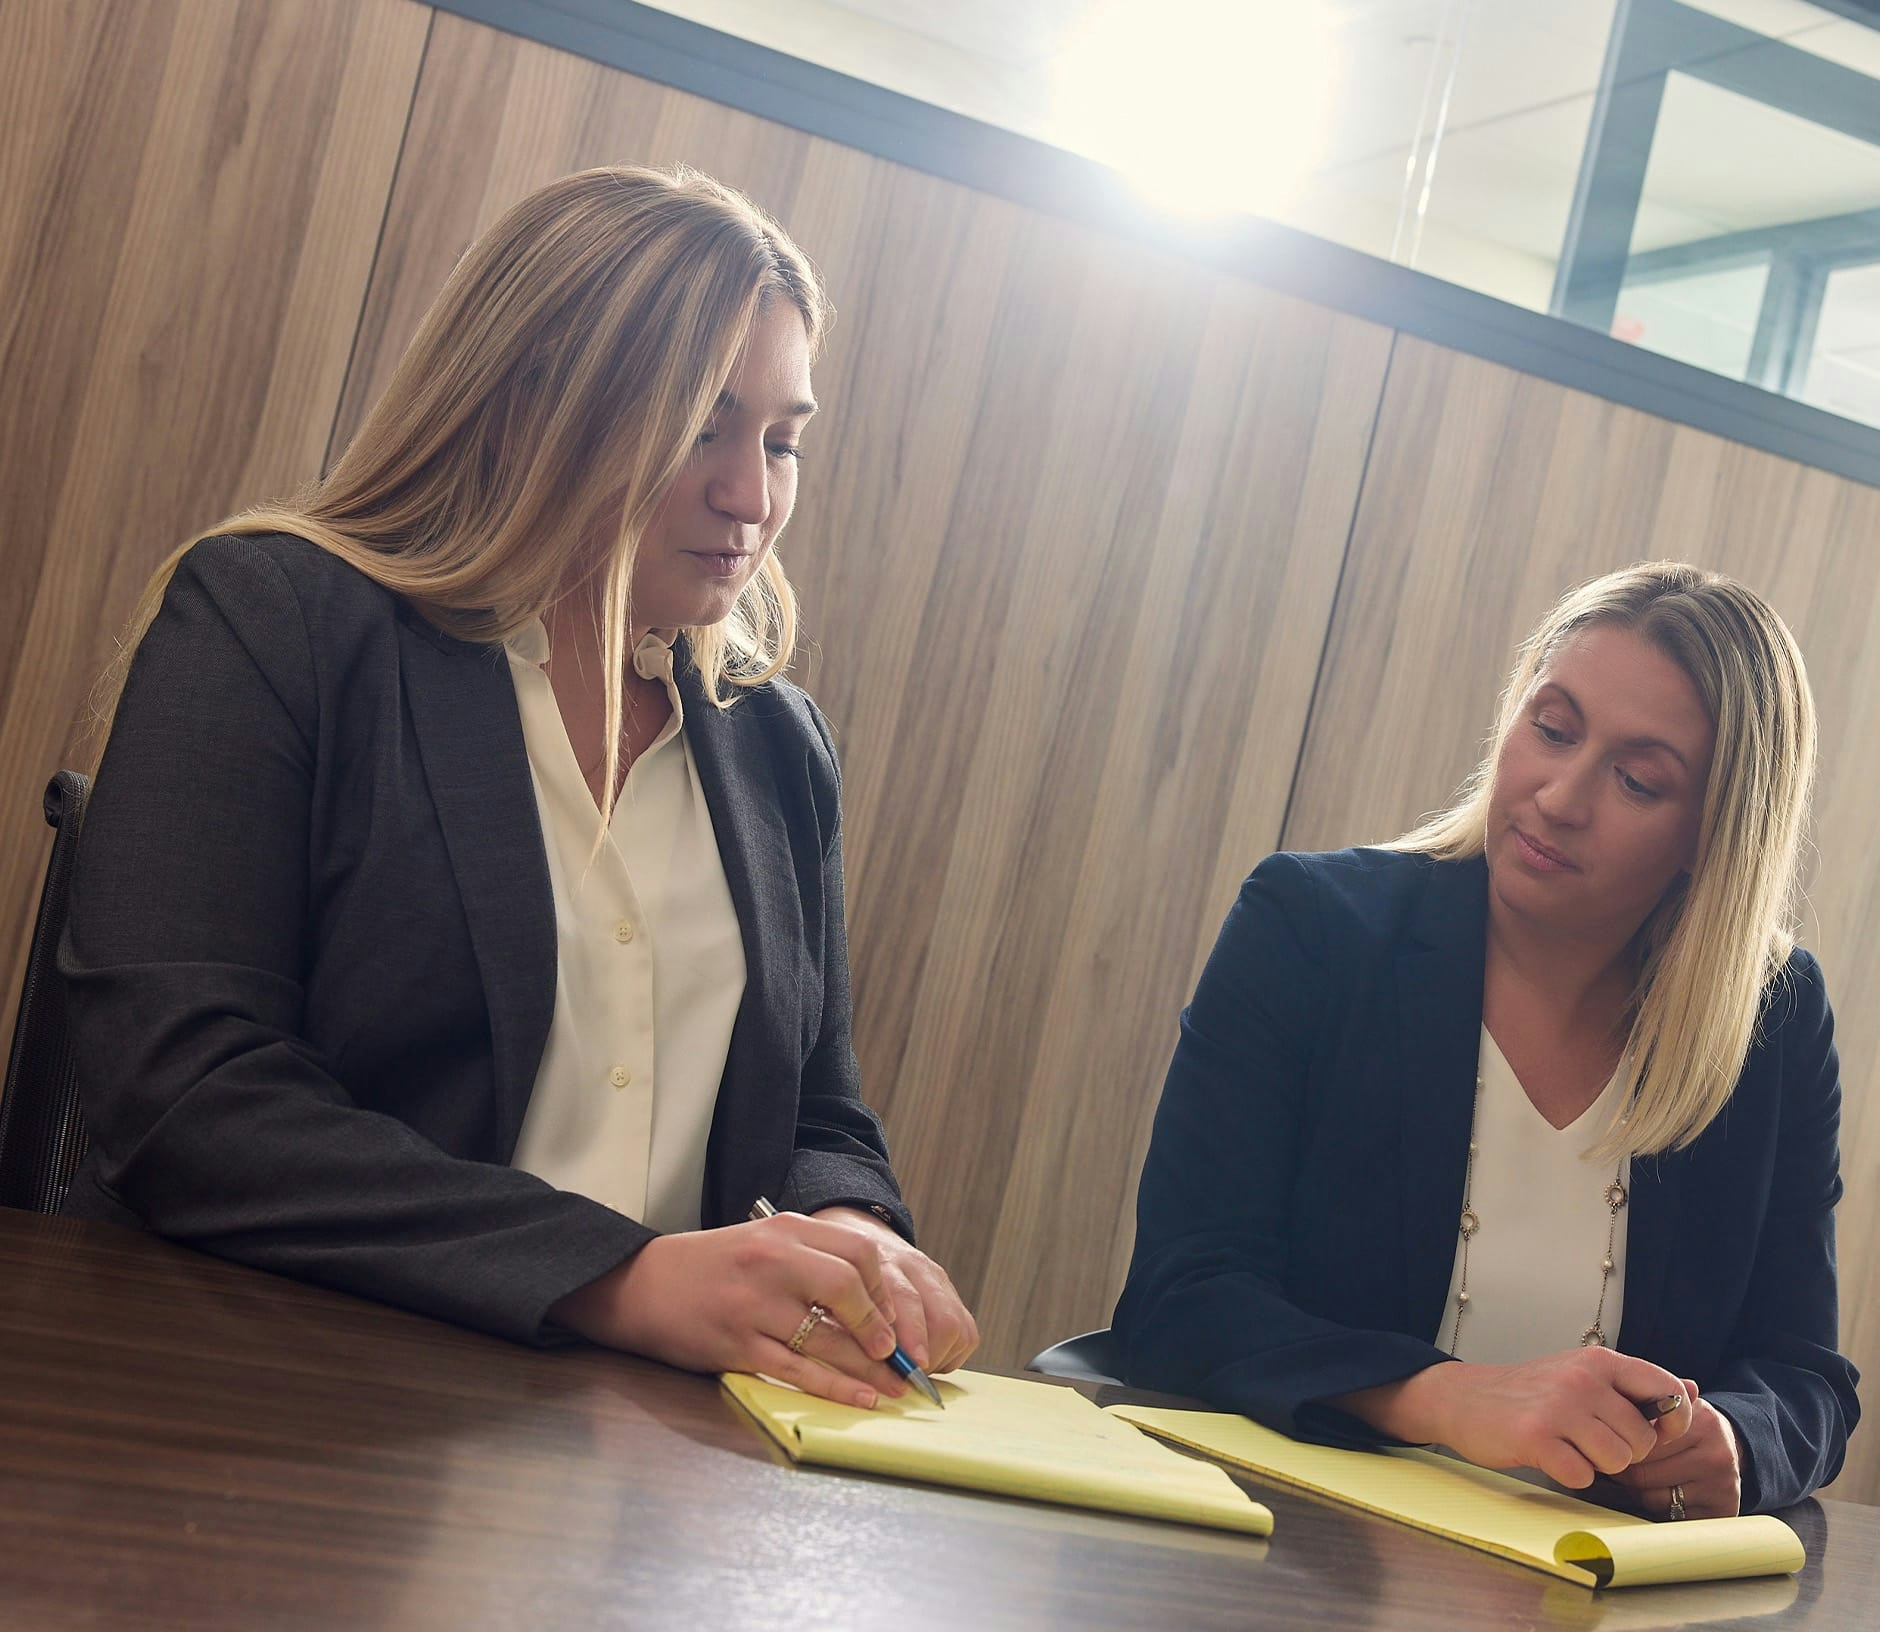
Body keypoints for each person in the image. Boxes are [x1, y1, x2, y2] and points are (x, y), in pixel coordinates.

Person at [59, 165, 976, 1408]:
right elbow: (186, 1098)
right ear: (525, 402)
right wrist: (622, 1276)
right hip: (269, 1398)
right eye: (700, 427)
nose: (750, 497)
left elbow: (815, 1109)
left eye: (781, 441)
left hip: (639, 1460)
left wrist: (852, 1226)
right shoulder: (276, 621)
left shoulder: (775, 746)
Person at [1113, 562, 1858, 1517]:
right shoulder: (1310, 926)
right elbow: (1183, 1297)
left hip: (1588, 1582)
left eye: (1636, 779)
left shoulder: (1776, 1017)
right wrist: (1450, 1401)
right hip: (1300, 1549)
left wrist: (1739, 1444)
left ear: (1715, 836)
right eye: (1551, 729)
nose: (1559, 795)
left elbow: (1807, 1377)